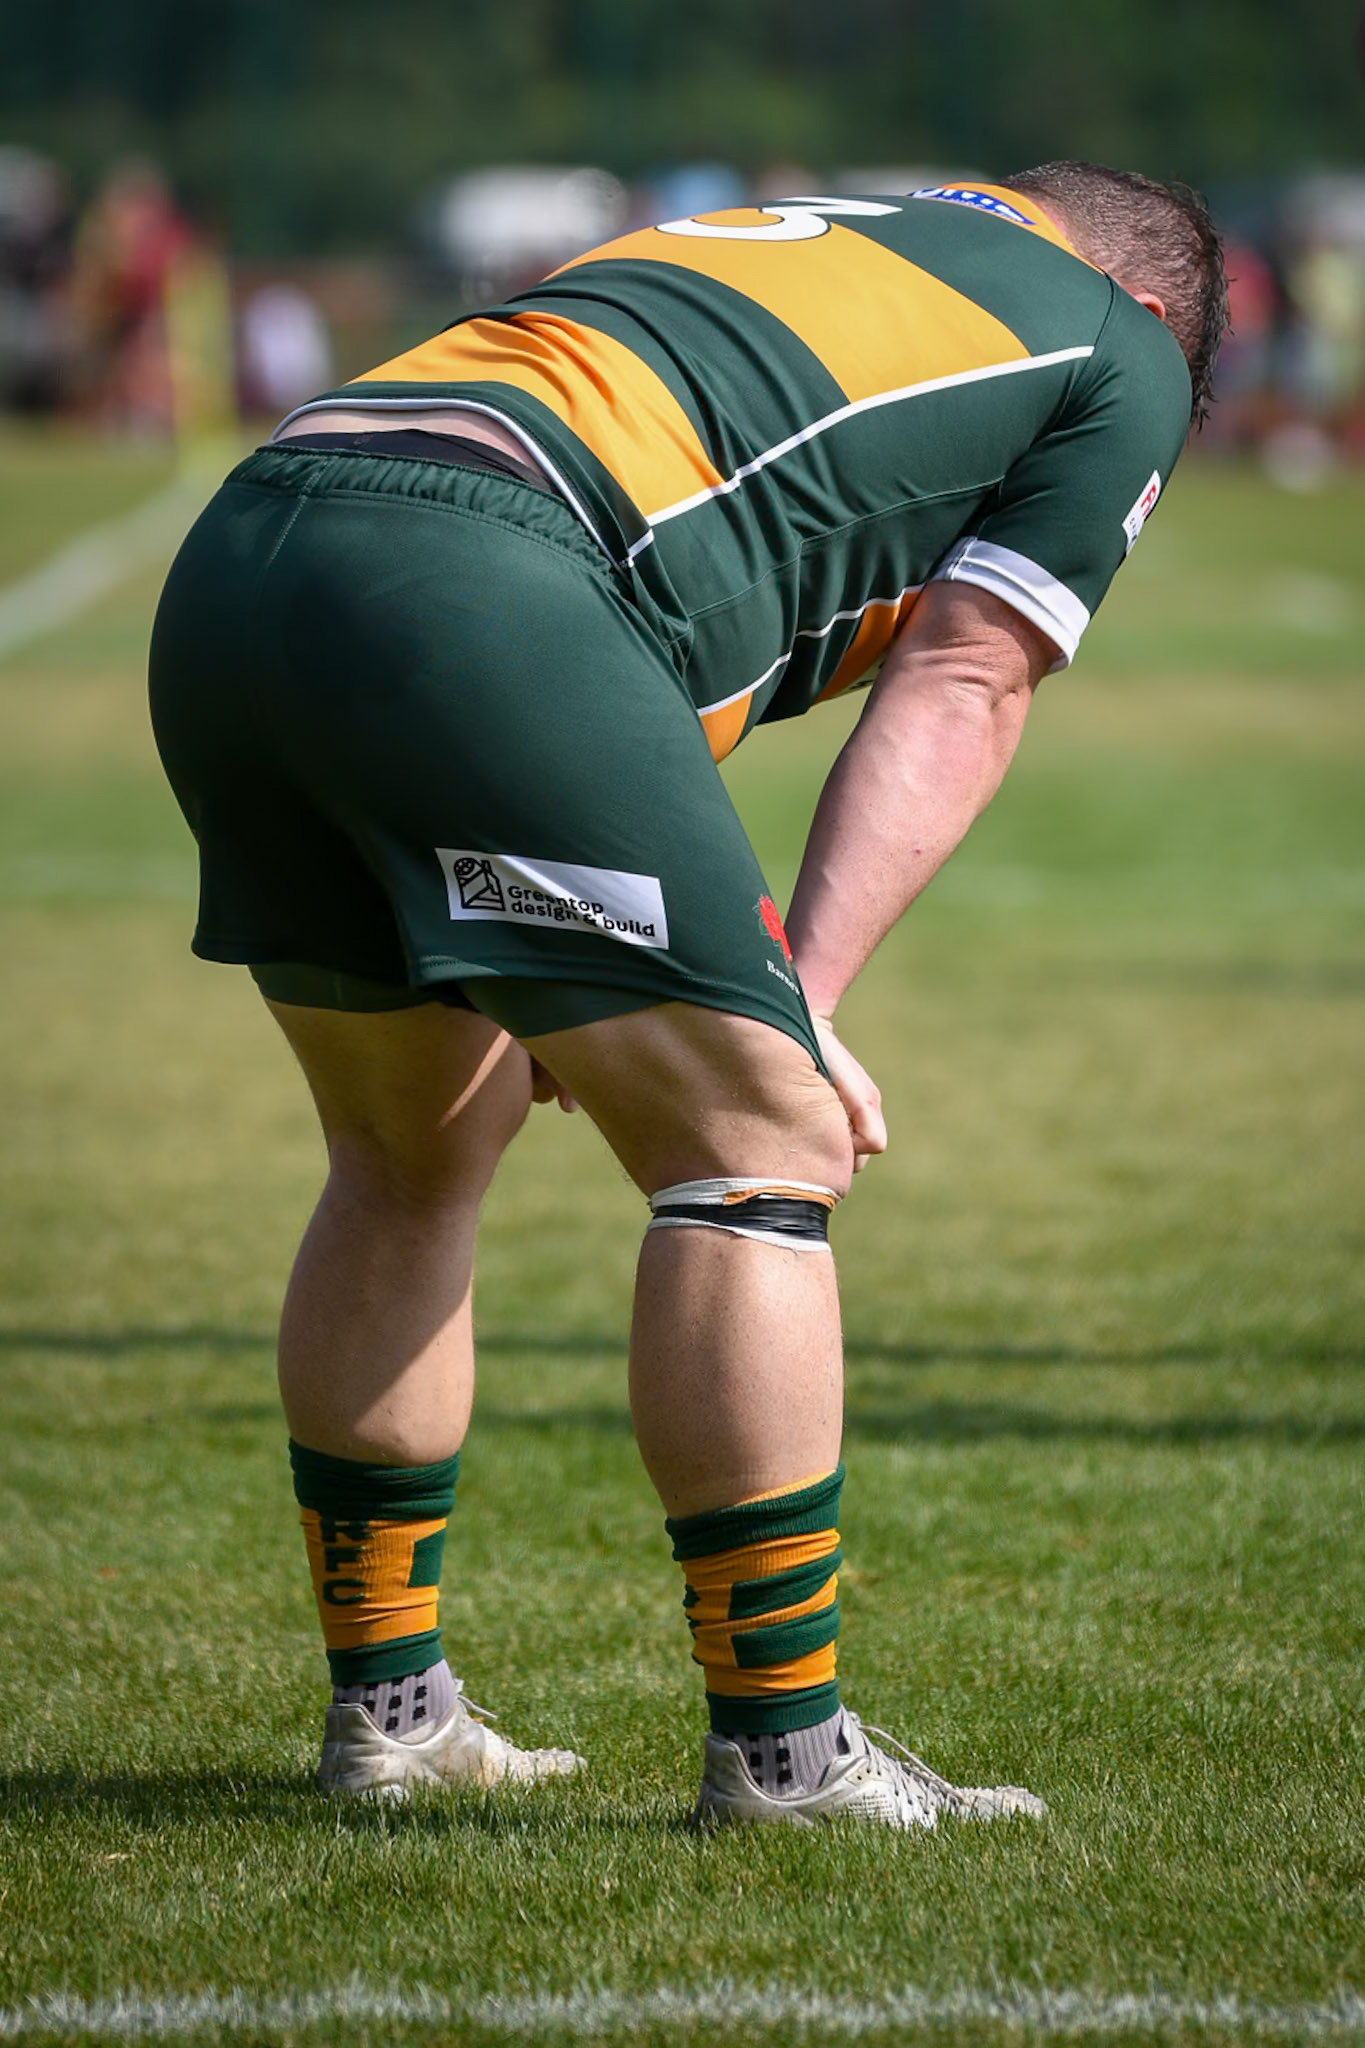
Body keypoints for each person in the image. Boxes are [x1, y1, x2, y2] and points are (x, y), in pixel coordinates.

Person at [149, 161, 1226, 1829]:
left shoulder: (817, 228)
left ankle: (393, 1716)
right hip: (477, 585)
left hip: (252, 546)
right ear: (1165, 312)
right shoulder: (1122, 345)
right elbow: (963, 673)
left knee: (411, 1150)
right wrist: (791, 1005)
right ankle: (787, 1760)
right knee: (760, 1142)